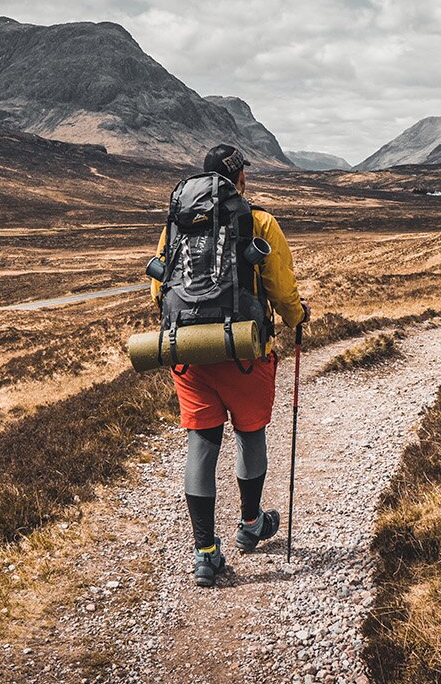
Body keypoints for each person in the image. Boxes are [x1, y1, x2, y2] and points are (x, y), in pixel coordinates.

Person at [150, 144, 310, 587]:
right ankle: (251, 523)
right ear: (238, 177)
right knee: (250, 433)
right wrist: (297, 319)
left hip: (190, 352)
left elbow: (157, 291)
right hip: (244, 350)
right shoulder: (259, 221)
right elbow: (280, 287)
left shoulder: (177, 223)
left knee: (201, 443)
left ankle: (205, 553)